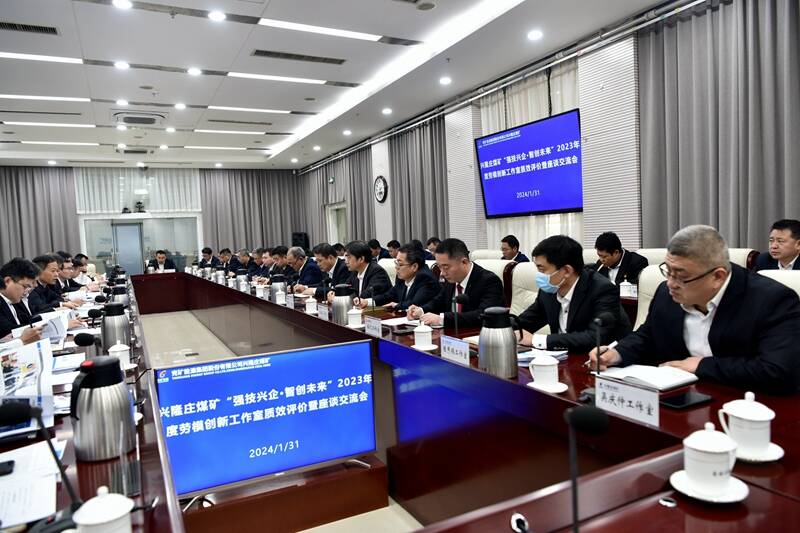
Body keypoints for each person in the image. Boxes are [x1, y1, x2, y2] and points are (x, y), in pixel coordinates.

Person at [590, 225, 800, 394]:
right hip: (679, 398)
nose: (671, 283)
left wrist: (702, 366)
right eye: (668, 271)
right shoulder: (666, 292)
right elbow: (648, 335)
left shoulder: (772, 301)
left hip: (744, 403)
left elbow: (778, 371)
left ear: (717, 276)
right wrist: (618, 352)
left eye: (681, 275)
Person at [517, 235, 630, 352]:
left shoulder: (602, 290)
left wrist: (537, 340)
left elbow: (594, 338)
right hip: (562, 358)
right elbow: (525, 322)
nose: (539, 275)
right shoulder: (549, 290)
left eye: (542, 269)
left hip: (600, 359)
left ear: (567, 270)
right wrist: (506, 327)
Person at [408, 238, 505, 328]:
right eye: (440, 267)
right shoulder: (451, 278)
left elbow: (483, 315)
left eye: (446, 267)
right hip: (451, 334)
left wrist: (442, 319)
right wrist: (421, 310)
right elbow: (438, 301)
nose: (442, 273)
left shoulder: (489, 281)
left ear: (464, 262)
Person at [360, 244, 439, 312]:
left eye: (400, 264)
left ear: (414, 266)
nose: (396, 267)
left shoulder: (426, 278)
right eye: (396, 263)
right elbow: (388, 296)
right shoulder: (402, 278)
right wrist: (367, 302)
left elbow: (415, 304)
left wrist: (396, 305)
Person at [0, 258, 43, 342]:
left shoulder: (12, 299)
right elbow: (8, 330)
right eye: (25, 286)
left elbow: (27, 321)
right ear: (8, 281)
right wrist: (21, 340)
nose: (26, 291)